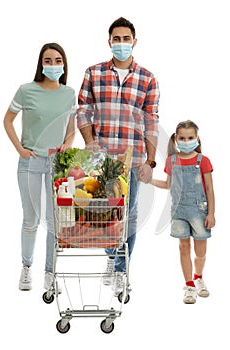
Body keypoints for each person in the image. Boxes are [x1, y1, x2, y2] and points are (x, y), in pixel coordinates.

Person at [76, 17, 160, 296]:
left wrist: (150, 161)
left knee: (130, 214)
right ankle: (112, 257)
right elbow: (83, 110)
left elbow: (151, 120)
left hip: (133, 159)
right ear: (109, 41)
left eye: (126, 39)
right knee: (103, 213)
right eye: (116, 39)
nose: (121, 43)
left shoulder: (147, 78)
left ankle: (122, 269)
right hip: (102, 160)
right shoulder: (93, 73)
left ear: (134, 42)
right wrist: (89, 142)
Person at [3, 43, 76, 291]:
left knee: (54, 221)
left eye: (58, 60)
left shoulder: (69, 93)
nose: (53, 65)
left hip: (56, 164)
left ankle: (50, 272)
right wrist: (20, 149)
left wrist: (67, 144)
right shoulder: (26, 90)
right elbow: (8, 120)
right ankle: (26, 268)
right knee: (30, 219)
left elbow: (70, 129)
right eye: (48, 60)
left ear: (63, 64)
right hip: (30, 162)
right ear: (40, 63)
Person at [152, 120, 215, 304]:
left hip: (199, 211)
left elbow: (210, 189)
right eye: (182, 137)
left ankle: (198, 277)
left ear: (197, 138)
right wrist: (149, 180)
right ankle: (189, 286)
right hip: (178, 211)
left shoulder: (203, 161)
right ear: (176, 139)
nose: (186, 140)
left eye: (190, 137)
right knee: (184, 247)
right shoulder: (172, 161)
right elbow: (167, 184)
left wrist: (211, 213)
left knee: (200, 251)